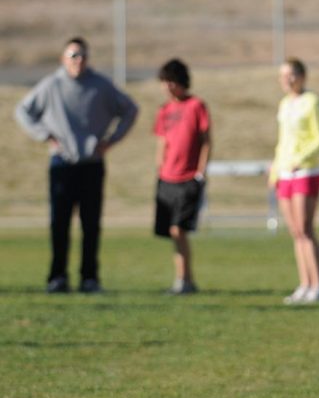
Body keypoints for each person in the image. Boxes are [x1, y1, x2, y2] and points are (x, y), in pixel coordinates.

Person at [15, 36, 138, 293]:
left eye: (83, 56)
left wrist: (110, 141)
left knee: (90, 224)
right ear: (64, 59)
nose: (78, 61)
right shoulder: (51, 85)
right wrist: (45, 135)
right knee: (59, 223)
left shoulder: (100, 86)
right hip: (62, 163)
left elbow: (130, 109)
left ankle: (89, 278)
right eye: (73, 56)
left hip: (92, 164)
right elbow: (23, 111)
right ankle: (57, 277)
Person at [269, 57, 319, 305]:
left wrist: (301, 158)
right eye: (283, 75)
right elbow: (282, 140)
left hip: (305, 171)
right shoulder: (284, 103)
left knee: (306, 229)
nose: (286, 79)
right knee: (296, 232)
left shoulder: (312, 101)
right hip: (284, 172)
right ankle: (305, 284)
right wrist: (275, 169)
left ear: (302, 76)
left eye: (291, 74)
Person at [153, 59, 211, 295]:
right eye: (164, 82)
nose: (167, 87)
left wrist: (201, 171)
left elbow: (206, 140)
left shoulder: (197, 106)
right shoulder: (164, 110)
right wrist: (159, 168)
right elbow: (161, 141)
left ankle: (185, 279)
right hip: (167, 178)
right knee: (171, 232)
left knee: (179, 230)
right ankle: (183, 280)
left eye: (170, 82)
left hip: (188, 178)